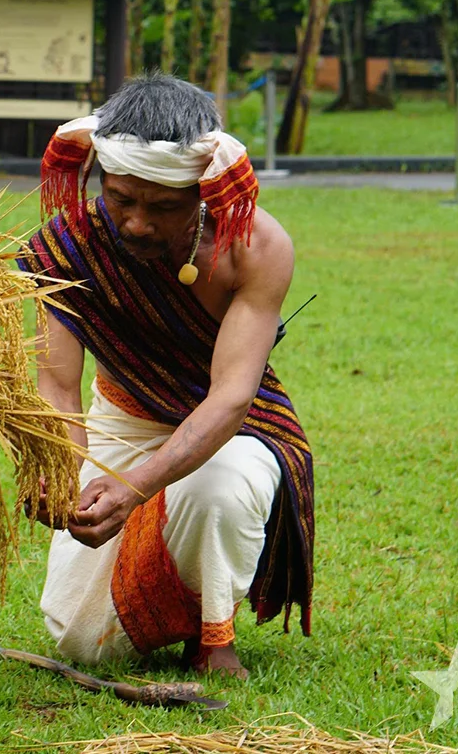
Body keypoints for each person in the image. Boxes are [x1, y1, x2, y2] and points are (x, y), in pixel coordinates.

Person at [19, 74, 313, 681]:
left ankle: (214, 634)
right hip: (121, 418)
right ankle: (172, 582)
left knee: (220, 486)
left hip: (238, 426)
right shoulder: (69, 243)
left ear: (202, 191)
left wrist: (134, 488)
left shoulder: (256, 247)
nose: (135, 224)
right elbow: (55, 386)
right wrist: (70, 476)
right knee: (82, 642)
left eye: (163, 207)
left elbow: (232, 397)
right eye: (121, 199)